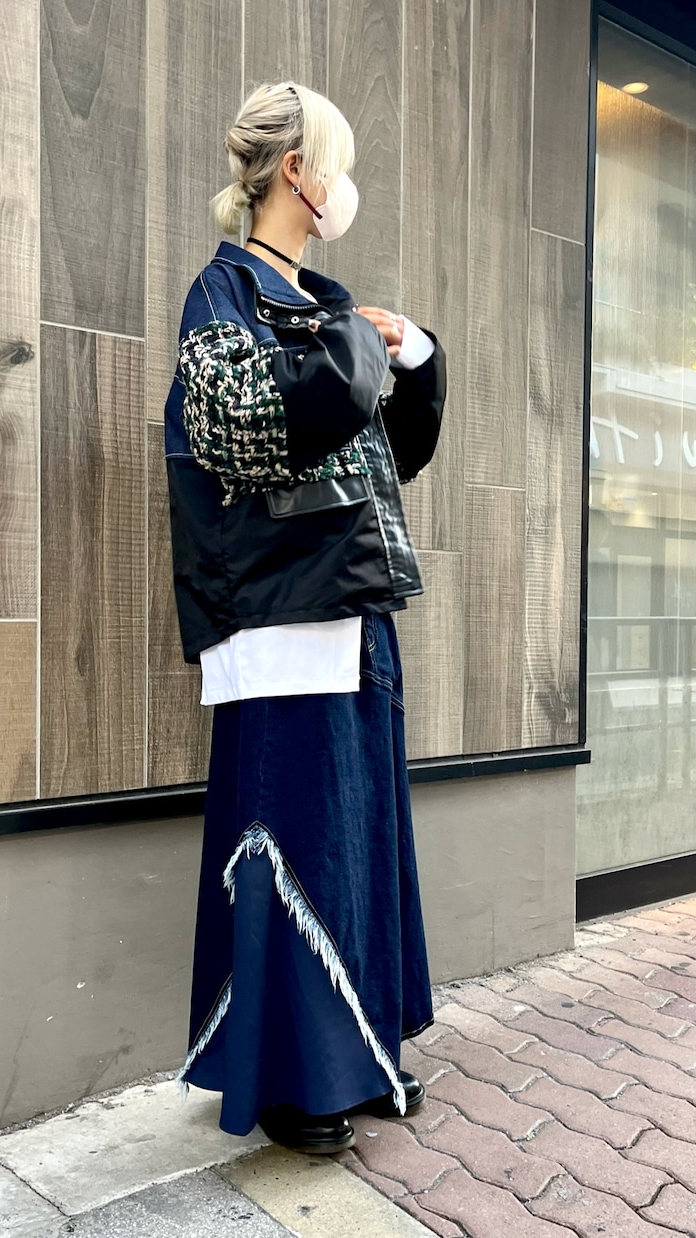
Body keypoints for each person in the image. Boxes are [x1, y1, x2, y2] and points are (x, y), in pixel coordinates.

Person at [162, 81, 447, 1154]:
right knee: (296, 831)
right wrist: (359, 350)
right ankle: (292, 1081)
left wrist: (414, 356)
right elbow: (245, 427)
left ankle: (356, 1053)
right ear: (297, 172)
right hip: (279, 615)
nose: (344, 186)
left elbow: (388, 455)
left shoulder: (322, 306)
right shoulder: (223, 292)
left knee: (355, 835)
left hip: (352, 608)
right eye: (337, 163)